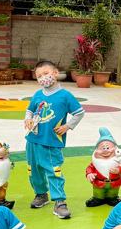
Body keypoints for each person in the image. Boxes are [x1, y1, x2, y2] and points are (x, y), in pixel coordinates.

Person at [25, 61, 84, 218]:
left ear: (55, 73)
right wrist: (27, 119)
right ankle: (41, 194)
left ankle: (59, 201)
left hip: (52, 141)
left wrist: (68, 126)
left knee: (53, 170)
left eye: (46, 73)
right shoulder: (38, 95)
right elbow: (29, 110)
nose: (42, 78)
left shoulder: (65, 95)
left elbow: (79, 112)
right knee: (34, 170)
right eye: (39, 76)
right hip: (33, 139)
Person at [85, 127, 121, 207]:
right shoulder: (96, 162)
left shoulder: (118, 160)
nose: (105, 151)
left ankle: (113, 198)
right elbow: (90, 168)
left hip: (114, 182)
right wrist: (89, 173)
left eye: (108, 147)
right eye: (102, 148)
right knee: (98, 192)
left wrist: (119, 170)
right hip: (99, 182)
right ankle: (97, 198)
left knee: (113, 192)